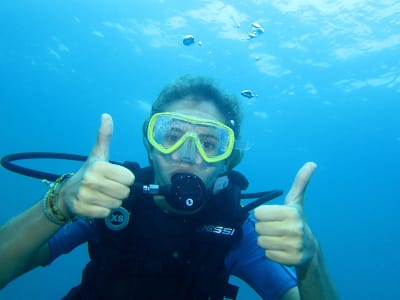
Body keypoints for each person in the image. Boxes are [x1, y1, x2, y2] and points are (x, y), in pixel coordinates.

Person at [0, 76, 337, 299]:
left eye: (210, 142)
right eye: (172, 136)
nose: (189, 156)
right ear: (150, 146)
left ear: (226, 160)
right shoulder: (109, 202)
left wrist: (312, 261)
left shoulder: (236, 231)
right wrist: (60, 201)